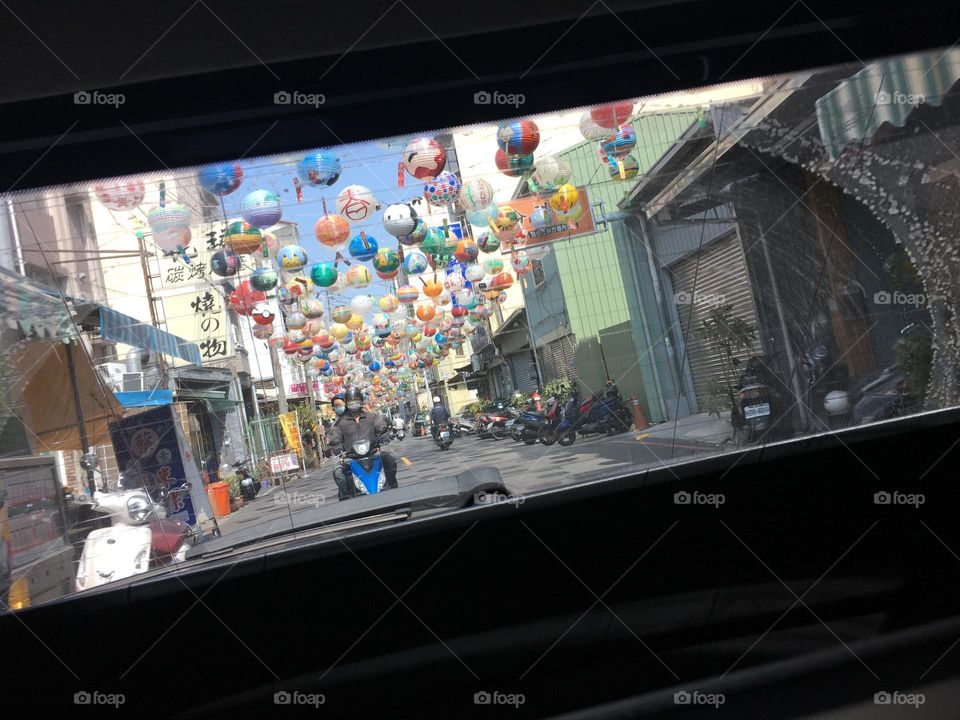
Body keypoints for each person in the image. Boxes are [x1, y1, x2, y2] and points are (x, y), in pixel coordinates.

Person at [326, 387, 398, 500]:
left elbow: (382, 429)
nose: (353, 403)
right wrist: (337, 448)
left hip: (373, 453)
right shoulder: (340, 423)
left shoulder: (372, 417)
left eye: (356, 399)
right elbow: (334, 437)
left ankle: (393, 486)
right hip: (350, 458)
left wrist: (384, 439)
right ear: (346, 403)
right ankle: (345, 497)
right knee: (338, 472)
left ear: (361, 400)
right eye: (350, 400)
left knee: (390, 459)